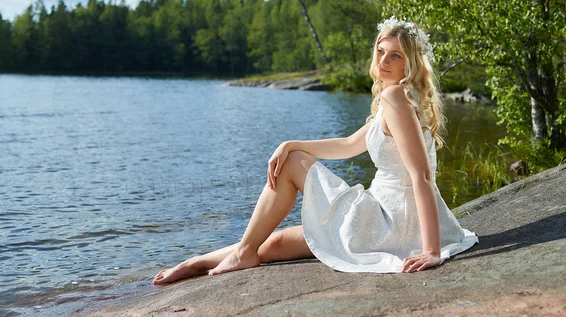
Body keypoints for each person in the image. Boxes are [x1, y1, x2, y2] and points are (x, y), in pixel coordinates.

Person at [153, 17, 478, 285]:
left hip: (392, 223)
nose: (383, 61)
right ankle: (199, 261)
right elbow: (350, 144)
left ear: (410, 62)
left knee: (292, 166)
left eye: (394, 55)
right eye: (380, 51)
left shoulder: (396, 100)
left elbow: (421, 176)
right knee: (278, 242)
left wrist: (431, 250)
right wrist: (290, 142)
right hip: (383, 214)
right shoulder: (395, 99)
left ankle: (242, 253)